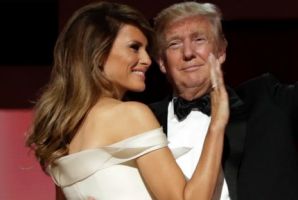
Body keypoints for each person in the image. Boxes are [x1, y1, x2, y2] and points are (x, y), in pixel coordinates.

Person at [26, 1, 230, 200]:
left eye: (145, 49)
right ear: (98, 53)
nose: (147, 60)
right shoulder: (131, 115)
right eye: (134, 47)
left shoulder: (65, 132)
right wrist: (216, 125)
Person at [150, 1, 298, 200]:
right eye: (174, 44)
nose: (188, 53)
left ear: (221, 51)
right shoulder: (143, 121)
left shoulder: (267, 99)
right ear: (161, 62)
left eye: (199, 39)